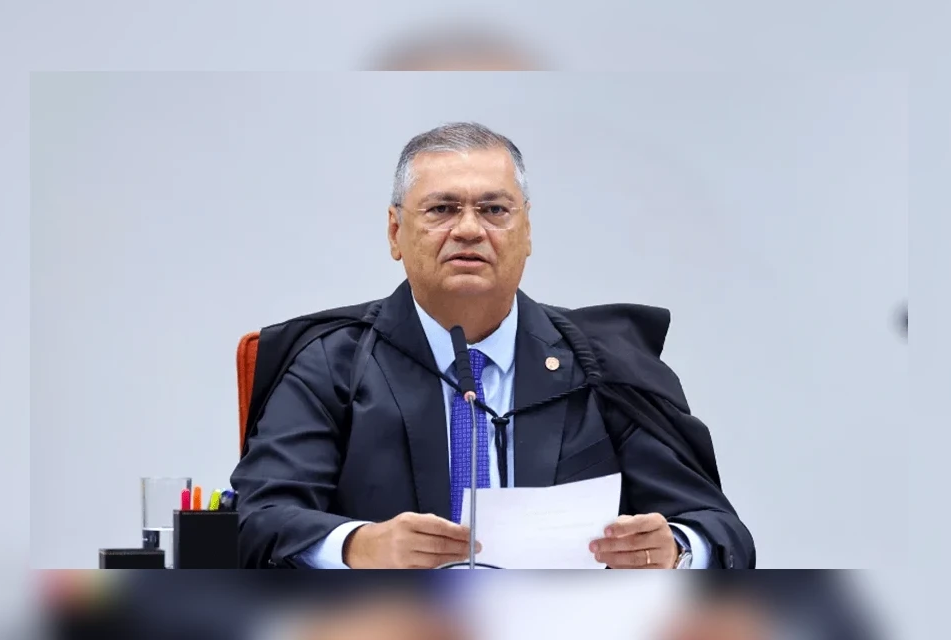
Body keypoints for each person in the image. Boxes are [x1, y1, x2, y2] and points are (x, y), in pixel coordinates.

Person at [231, 122, 754, 569]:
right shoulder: (331, 361)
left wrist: (675, 549)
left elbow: (720, 530)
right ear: (394, 232)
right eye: (441, 209)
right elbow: (260, 521)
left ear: (526, 232)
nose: (468, 229)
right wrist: (358, 546)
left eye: (494, 210)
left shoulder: (604, 364)